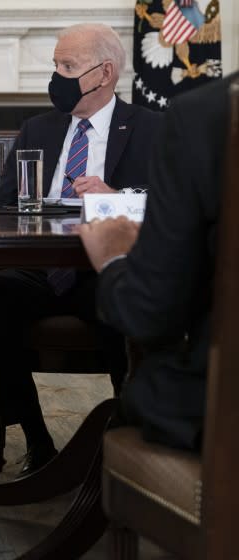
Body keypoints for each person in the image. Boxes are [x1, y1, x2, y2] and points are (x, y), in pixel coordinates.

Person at [0, 23, 162, 476]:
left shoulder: (152, 128)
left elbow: (171, 203)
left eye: (68, 66)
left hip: (102, 267)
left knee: (122, 306)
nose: (57, 76)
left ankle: (130, 441)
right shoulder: (39, 128)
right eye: (55, 65)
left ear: (105, 72)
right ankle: (38, 443)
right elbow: (2, 206)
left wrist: (113, 195)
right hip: (42, 267)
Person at [79, 72, 235, 452]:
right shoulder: (39, 129)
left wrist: (115, 257)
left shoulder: (206, 115)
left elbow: (148, 314)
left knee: (146, 387)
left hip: (220, 406)